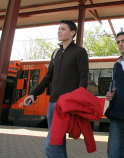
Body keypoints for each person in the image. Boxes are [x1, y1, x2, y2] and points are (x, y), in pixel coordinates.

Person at [23, 20, 89, 158]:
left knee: (51, 145)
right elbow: (47, 78)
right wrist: (33, 94)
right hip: (52, 104)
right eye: (58, 29)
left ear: (72, 33)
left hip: (67, 104)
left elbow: (84, 79)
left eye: (63, 29)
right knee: (58, 142)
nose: (59, 31)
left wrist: (77, 102)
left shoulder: (80, 52)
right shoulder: (55, 53)